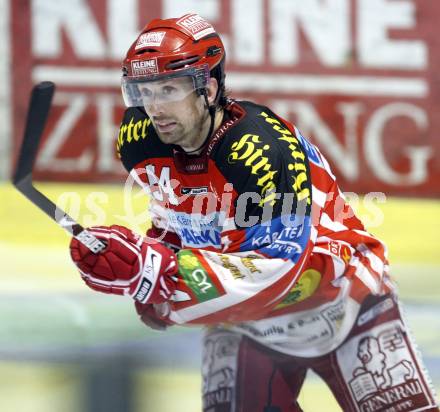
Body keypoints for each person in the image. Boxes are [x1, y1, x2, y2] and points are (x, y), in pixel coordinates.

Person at [69, 13, 439, 412]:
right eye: (144, 91)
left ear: (207, 88)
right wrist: (141, 260)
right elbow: (176, 222)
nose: (154, 108)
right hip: (242, 324)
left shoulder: (260, 149)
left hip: (347, 301)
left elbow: (278, 269)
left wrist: (162, 274)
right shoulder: (140, 138)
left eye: (169, 89)